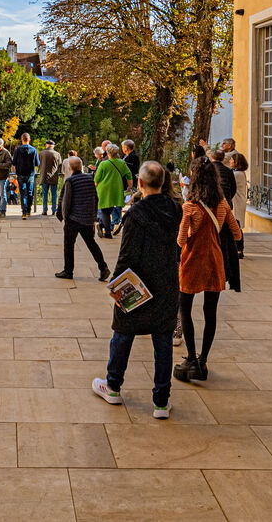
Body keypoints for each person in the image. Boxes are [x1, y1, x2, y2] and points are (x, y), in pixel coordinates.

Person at [92, 160, 183, 421]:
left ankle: (113, 386)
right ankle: (161, 402)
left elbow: (127, 254)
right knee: (163, 341)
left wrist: (116, 285)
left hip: (137, 283)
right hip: (166, 283)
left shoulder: (136, 214)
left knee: (122, 334)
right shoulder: (176, 209)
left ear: (140, 183)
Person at [175, 157, 243, 383]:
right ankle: (203, 359)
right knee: (210, 312)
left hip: (192, 262)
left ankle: (191, 358)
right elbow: (237, 234)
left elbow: (181, 240)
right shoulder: (222, 204)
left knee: (185, 308)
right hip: (215, 261)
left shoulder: (189, 206)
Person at [55, 156, 109, 282]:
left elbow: (66, 201)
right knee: (91, 243)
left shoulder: (70, 181)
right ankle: (103, 267)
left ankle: (68, 271)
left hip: (73, 218)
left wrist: (64, 216)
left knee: (69, 245)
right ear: (81, 167)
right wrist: (93, 216)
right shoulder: (90, 179)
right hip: (87, 218)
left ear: (70, 168)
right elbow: (95, 198)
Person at [94, 144, 133, 239]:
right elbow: (128, 174)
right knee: (110, 209)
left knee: (105, 211)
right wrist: (130, 186)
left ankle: (107, 231)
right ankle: (102, 225)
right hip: (116, 189)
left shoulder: (103, 164)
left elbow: (97, 179)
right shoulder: (122, 163)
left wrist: (93, 188)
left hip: (103, 189)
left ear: (108, 153)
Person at [12, 132, 39, 219]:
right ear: (29, 139)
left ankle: (24, 211)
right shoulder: (34, 150)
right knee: (30, 192)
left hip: (20, 173)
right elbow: (37, 163)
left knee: (23, 193)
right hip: (30, 174)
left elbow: (14, 162)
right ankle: (28, 210)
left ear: (22, 139)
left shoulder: (17, 150)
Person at [39, 140, 63, 217]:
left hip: (44, 176)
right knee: (54, 195)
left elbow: (38, 164)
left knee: (44, 195)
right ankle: (54, 210)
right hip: (53, 177)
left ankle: (44, 210)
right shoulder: (57, 154)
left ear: (47, 145)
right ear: (53, 146)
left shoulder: (41, 153)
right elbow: (60, 165)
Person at [228, 152, 249, 220]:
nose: (229, 161)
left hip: (237, 202)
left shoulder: (237, 174)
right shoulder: (240, 173)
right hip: (238, 201)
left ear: (236, 162)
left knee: (236, 223)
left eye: (231, 159)